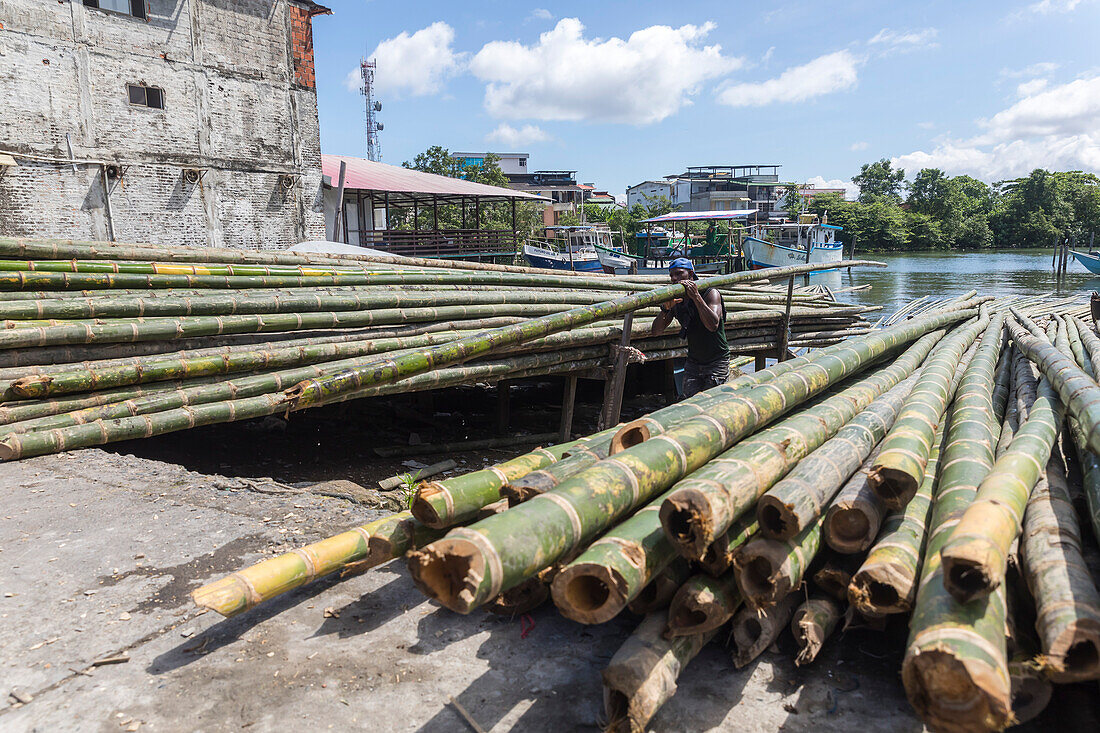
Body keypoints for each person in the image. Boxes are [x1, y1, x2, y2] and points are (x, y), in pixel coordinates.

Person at [650, 258, 730, 397]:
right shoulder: (678, 301)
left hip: (716, 362)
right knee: (689, 405)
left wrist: (696, 297)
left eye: (679, 274)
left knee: (712, 405)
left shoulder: (709, 293)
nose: (674, 278)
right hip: (693, 361)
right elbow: (656, 331)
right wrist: (665, 309)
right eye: (671, 275)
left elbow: (713, 325)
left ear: (691, 274)